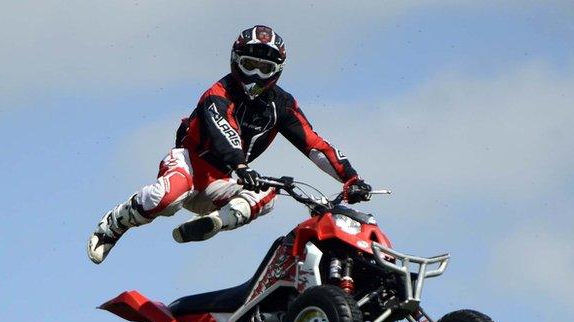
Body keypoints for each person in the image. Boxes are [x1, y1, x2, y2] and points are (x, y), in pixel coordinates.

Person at [87, 24, 371, 264]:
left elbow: (314, 143)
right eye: (249, 65)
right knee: (169, 198)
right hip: (190, 163)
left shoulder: (282, 104)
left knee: (268, 195)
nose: (256, 76)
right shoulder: (218, 93)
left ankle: (214, 223)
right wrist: (240, 163)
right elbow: (224, 130)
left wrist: (351, 178)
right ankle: (115, 223)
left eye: (265, 68)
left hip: (222, 180)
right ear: (235, 60)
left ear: (277, 70)